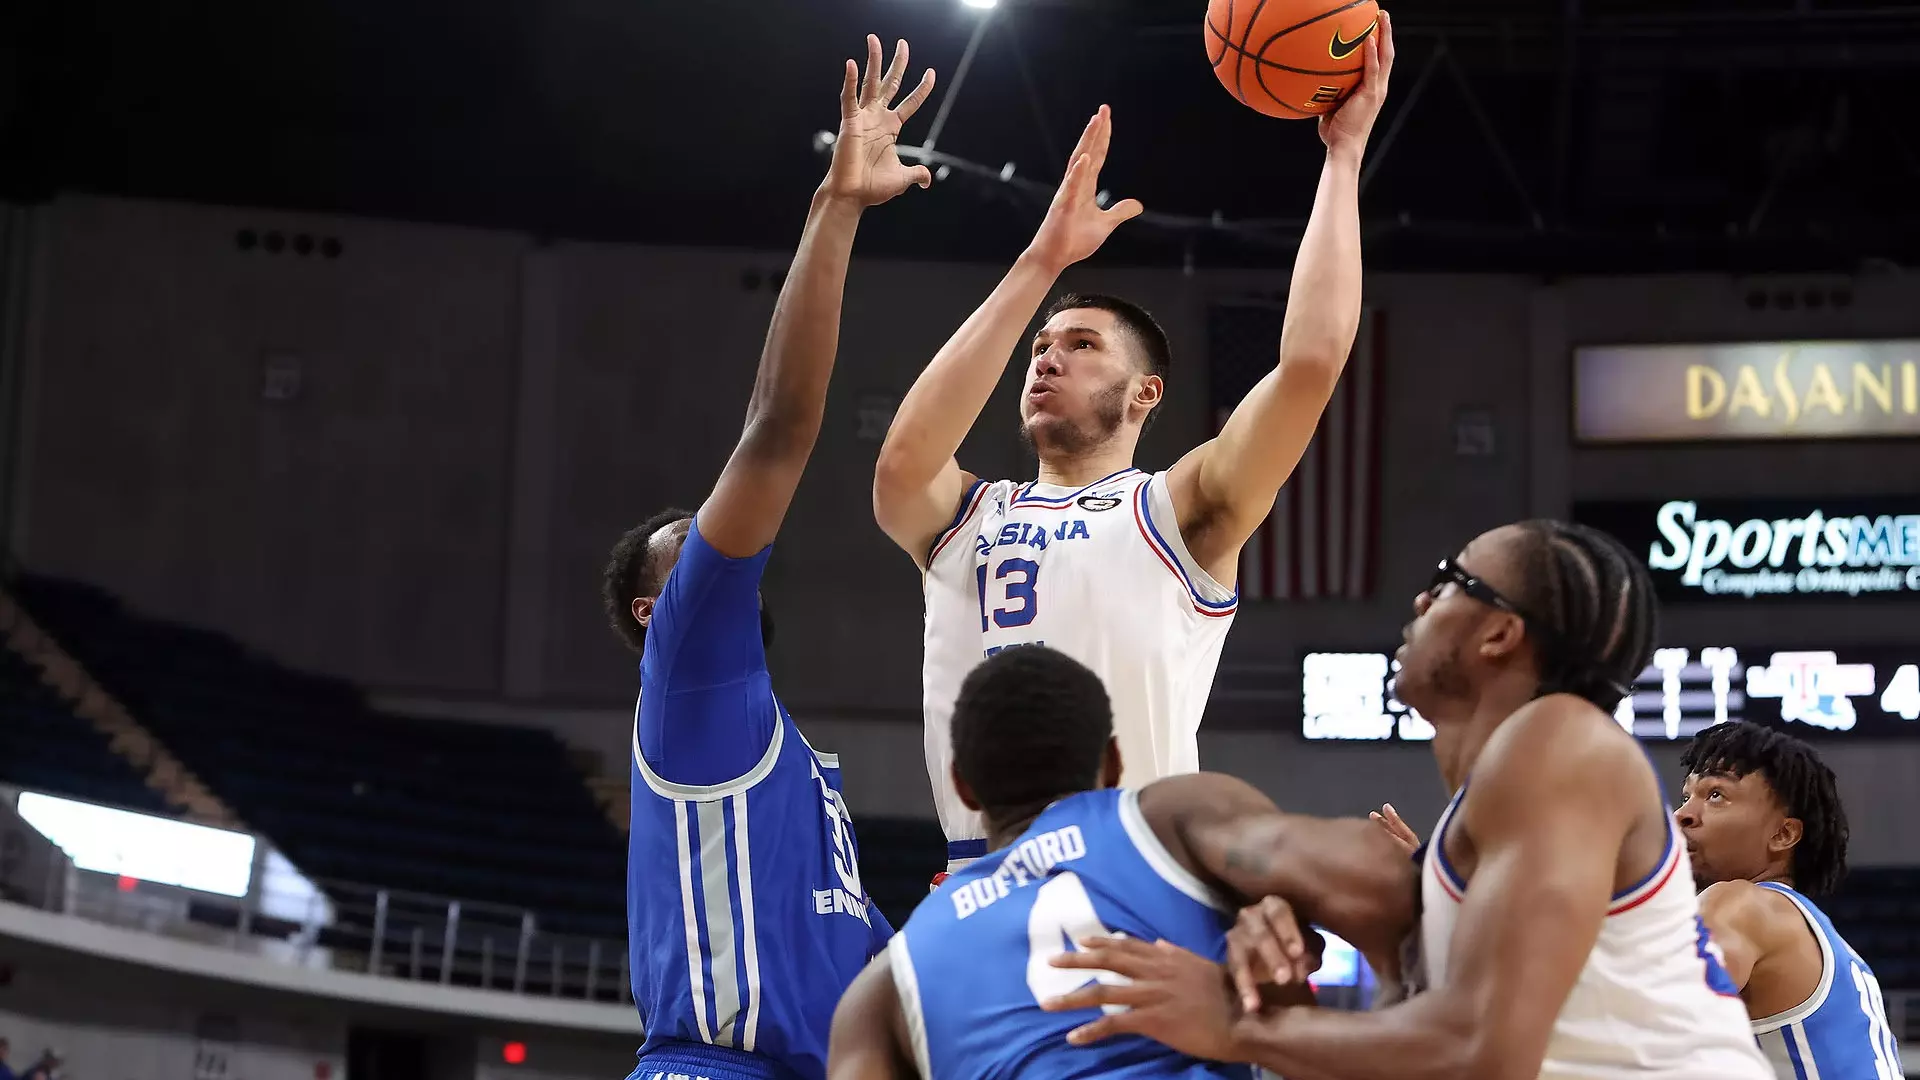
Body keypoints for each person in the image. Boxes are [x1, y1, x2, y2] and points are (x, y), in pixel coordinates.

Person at [871, 18, 1396, 873]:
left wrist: (1341, 161)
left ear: (1145, 393)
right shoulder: (968, 514)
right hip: (980, 874)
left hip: (1132, 872)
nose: (1048, 358)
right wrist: (1040, 263)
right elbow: (900, 464)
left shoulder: (1178, 506)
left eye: (1081, 347)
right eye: (1043, 348)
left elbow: (1309, 363)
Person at [1040, 520, 1773, 1080]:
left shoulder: (1561, 741)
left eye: (1450, 581)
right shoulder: (1483, 825)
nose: (1420, 599)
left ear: (1500, 633)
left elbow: (1483, 1051)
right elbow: (1423, 1057)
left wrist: (1235, 1026)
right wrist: (1284, 997)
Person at [599, 36, 936, 1080]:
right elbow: (780, 429)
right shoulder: (691, 676)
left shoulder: (785, 764)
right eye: (689, 550)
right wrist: (834, 211)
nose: (714, 538)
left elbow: (869, 977)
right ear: (665, 610)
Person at [824, 645, 1415, 1079]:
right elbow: (1384, 879)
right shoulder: (1168, 818)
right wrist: (1275, 975)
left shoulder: (881, 992)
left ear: (964, 787)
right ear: (1112, 764)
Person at [1676, 721, 1904, 1078]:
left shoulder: (1740, 906)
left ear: (1783, 834)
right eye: (1687, 796)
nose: (1683, 814)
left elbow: (1649, 1027)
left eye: (1715, 795)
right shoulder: (1823, 938)